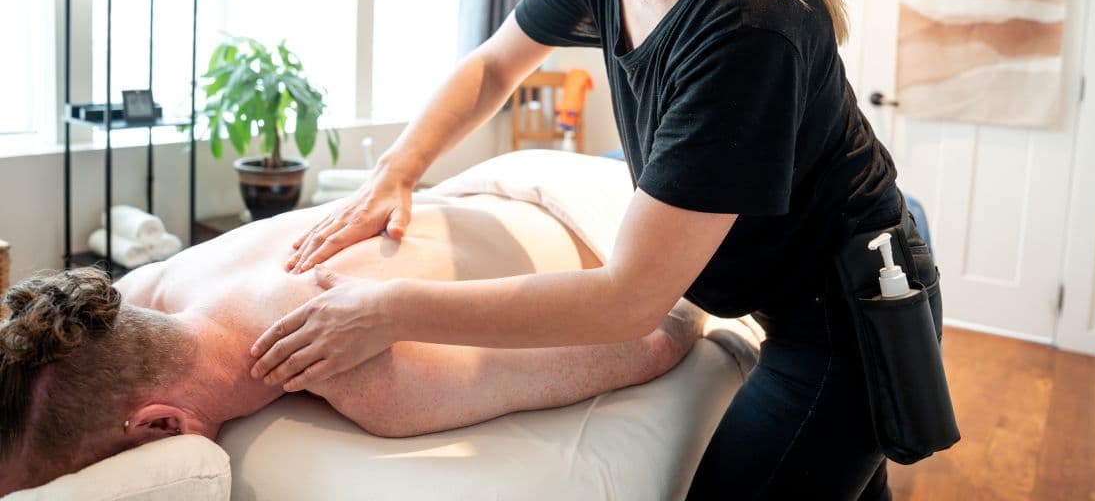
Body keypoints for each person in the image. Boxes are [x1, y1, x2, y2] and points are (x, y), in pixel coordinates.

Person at [251, 0, 943, 497]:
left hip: (841, 318)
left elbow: (627, 302)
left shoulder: (753, 28)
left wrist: (390, 310)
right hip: (772, 288)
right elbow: (491, 67)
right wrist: (399, 169)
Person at [0, 198, 705, 495]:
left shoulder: (377, 377)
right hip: (476, 196)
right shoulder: (152, 286)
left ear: (162, 426)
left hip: (599, 208)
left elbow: (655, 334)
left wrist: (705, 298)